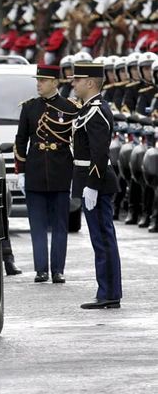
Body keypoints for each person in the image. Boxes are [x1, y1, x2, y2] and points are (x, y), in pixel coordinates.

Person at [14, 65, 77, 283]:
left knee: (60, 225)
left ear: (55, 83)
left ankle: (58, 269)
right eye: (37, 80)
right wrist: (21, 171)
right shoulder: (30, 107)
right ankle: (41, 269)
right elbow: (21, 141)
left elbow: (77, 142)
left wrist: (75, 177)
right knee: (37, 225)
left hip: (61, 171)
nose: (38, 84)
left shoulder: (70, 107)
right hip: (35, 171)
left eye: (43, 80)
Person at [70, 62, 122, 309]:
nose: (73, 83)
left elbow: (99, 153)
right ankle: (108, 291)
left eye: (77, 80)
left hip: (97, 182)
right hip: (90, 181)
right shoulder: (88, 109)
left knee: (103, 238)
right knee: (99, 238)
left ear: (90, 82)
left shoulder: (97, 111)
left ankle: (109, 293)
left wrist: (91, 185)